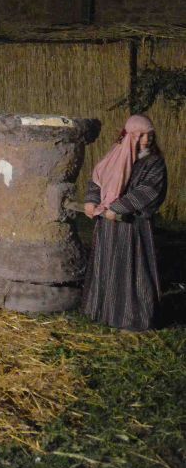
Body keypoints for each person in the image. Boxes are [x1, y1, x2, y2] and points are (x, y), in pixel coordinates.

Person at [81, 114, 167, 332]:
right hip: (108, 228)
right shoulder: (115, 156)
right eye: (140, 135)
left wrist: (118, 208)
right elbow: (98, 179)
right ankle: (103, 312)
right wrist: (92, 201)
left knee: (133, 271)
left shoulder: (154, 163)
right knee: (107, 266)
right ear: (129, 135)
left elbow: (148, 190)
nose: (146, 140)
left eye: (149, 135)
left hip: (133, 227)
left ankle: (132, 318)